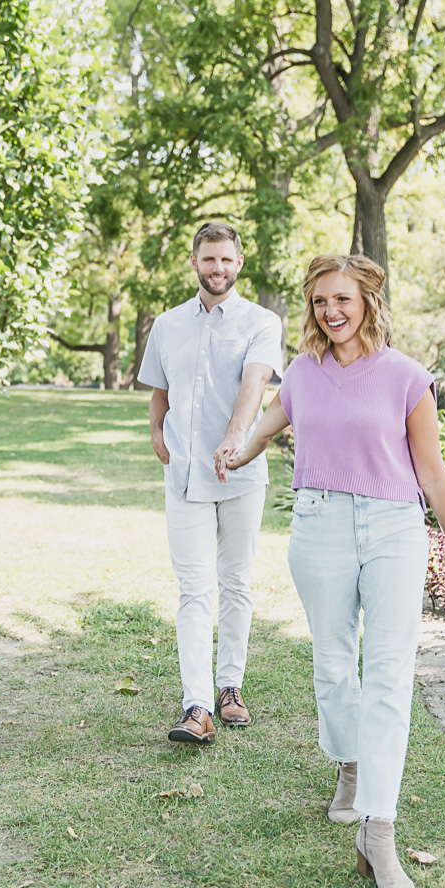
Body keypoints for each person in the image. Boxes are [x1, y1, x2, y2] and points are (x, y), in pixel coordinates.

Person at [215, 253, 445, 888]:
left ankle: (378, 831)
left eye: (343, 300)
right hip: (320, 525)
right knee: (334, 668)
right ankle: (352, 765)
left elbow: (433, 472)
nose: (331, 311)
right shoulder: (302, 374)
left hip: (392, 530)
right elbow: (266, 429)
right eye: (321, 301)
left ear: (369, 302)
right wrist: (235, 450)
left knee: (388, 677)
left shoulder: (408, 379)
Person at [139, 221, 284, 746]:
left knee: (236, 583)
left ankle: (230, 688)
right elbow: (160, 389)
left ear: (238, 264)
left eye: (226, 260)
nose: (217, 268)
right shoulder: (167, 324)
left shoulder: (262, 321)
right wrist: (156, 430)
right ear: (195, 262)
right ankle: (196, 704)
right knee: (194, 590)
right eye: (208, 259)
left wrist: (234, 440)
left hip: (242, 474)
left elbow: (256, 382)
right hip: (183, 478)